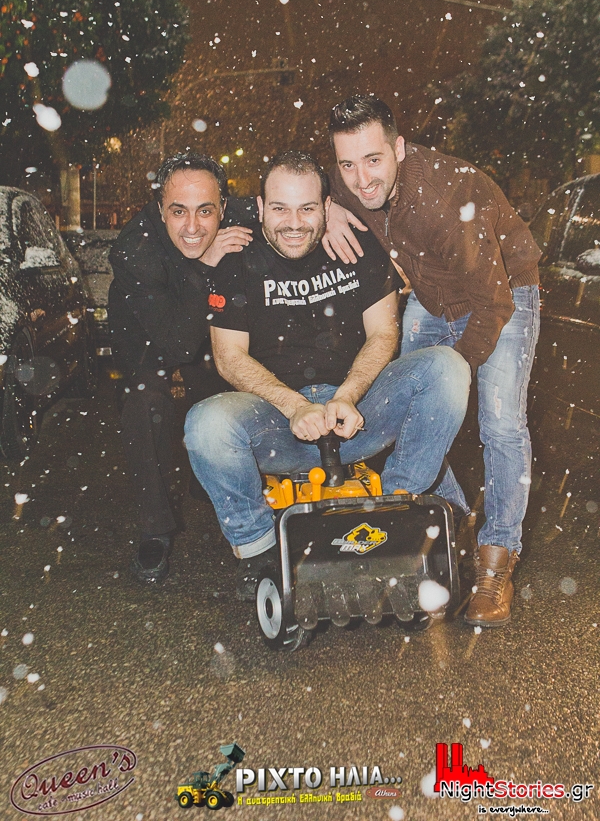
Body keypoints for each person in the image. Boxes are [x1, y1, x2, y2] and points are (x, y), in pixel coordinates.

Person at [184, 152, 471, 600]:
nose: (293, 223)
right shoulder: (235, 262)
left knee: (447, 367)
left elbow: (384, 334)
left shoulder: (357, 247)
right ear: (259, 208)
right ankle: (259, 549)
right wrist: (295, 406)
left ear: (327, 206)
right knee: (205, 423)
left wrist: (348, 395)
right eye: (280, 208)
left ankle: (397, 512)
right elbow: (228, 358)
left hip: (358, 415)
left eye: (307, 208)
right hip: (278, 424)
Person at [324, 95, 542, 627]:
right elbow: (293, 190)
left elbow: (493, 304)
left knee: (501, 424)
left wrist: (453, 371)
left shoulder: (445, 199)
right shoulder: (345, 183)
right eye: (348, 165)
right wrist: (328, 206)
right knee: (412, 413)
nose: (362, 180)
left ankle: (496, 561)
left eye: (373, 160)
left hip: (501, 293)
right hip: (431, 295)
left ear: (399, 148)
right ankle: (455, 522)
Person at [108, 153, 255, 583]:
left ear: (223, 207)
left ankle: (204, 477)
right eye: (178, 212)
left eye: (205, 211)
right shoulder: (134, 251)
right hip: (146, 334)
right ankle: (155, 530)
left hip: (201, 321)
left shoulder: (242, 210)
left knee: (220, 391)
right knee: (145, 406)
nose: (193, 226)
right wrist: (205, 265)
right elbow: (173, 343)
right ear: (160, 210)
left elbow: (292, 204)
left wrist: (333, 214)